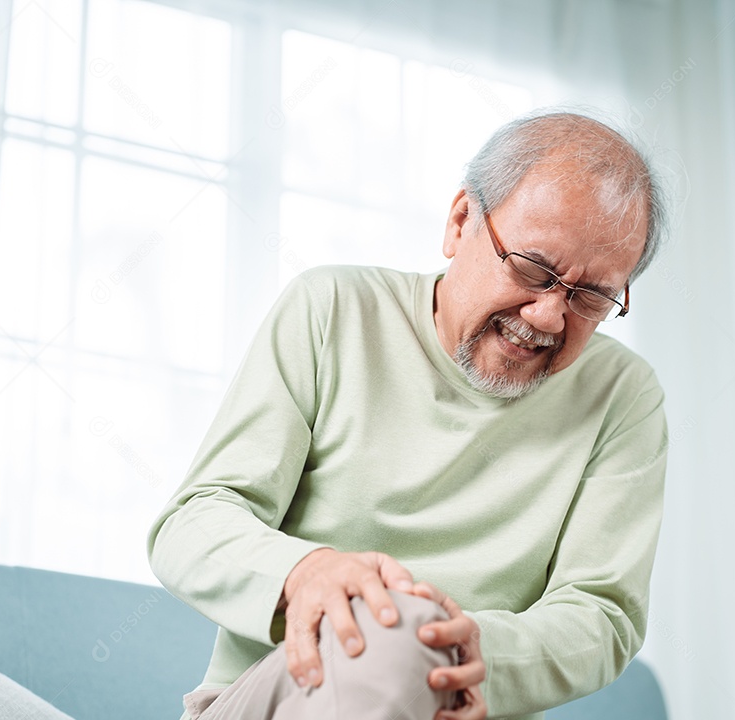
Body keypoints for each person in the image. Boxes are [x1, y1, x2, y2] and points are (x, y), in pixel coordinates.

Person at [148, 110, 669, 720]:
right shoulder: (332, 309)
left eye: (592, 297)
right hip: (283, 696)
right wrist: (305, 573)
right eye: (532, 269)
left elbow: (602, 615)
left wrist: (464, 648)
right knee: (393, 635)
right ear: (460, 222)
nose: (549, 316)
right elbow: (191, 524)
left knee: (406, 635)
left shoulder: (624, 395)